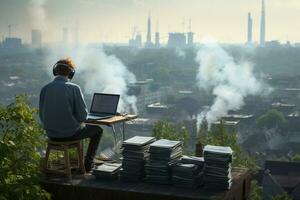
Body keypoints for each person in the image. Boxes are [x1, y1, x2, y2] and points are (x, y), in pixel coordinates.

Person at [39, 58, 102, 172]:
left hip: (51, 135)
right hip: (69, 135)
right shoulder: (74, 88)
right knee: (97, 130)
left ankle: (80, 164)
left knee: (80, 129)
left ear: (55, 71)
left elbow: (42, 116)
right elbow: (83, 117)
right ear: (71, 73)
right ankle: (87, 165)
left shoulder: (45, 89)